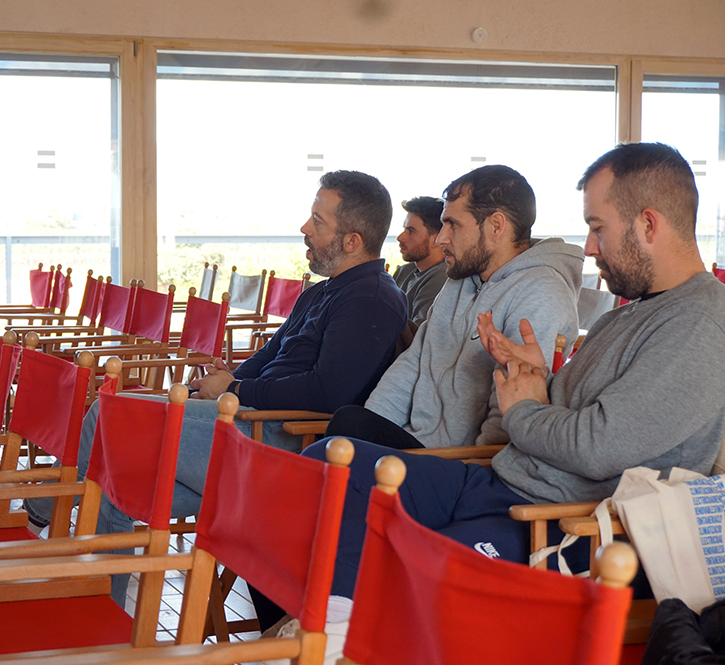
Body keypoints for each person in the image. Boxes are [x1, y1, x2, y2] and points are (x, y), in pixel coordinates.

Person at [301, 143, 725, 643]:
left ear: (648, 225)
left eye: (597, 227)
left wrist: (522, 405)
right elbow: (559, 412)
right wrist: (531, 377)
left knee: (406, 569)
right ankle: (334, 628)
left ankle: (336, 636)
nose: (589, 247)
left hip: (560, 524)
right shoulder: (626, 315)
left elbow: (596, 445)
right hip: (500, 483)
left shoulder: (700, 323)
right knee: (329, 464)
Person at [25, 170, 408, 604]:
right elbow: (268, 357)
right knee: (115, 479)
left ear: (353, 241)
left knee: (110, 412)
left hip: (277, 443)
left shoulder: (371, 298)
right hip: (245, 421)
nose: (304, 228)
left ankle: (39, 511)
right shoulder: (321, 293)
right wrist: (222, 382)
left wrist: (237, 390)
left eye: (317, 221)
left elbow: (329, 393)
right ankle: (101, 613)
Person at [325, 165, 582, 451]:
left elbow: (508, 420)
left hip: (458, 460)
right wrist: (370, 431)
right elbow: (413, 364)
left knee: (344, 431)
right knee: (348, 429)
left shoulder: (541, 293)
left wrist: (465, 469)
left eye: (453, 224)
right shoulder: (461, 280)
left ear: (496, 226)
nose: (441, 239)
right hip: (415, 446)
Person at [391, 196, 449, 324]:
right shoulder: (404, 271)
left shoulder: (442, 278)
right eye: (404, 229)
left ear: (436, 240)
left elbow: (418, 333)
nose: (400, 238)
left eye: (411, 231)